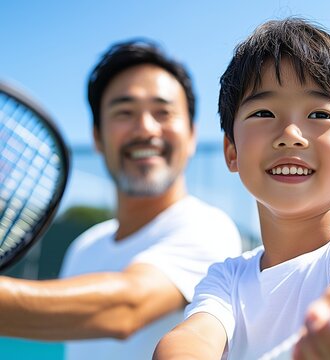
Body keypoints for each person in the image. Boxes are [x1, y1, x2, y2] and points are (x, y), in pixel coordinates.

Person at [153, 18, 330, 359]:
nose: (290, 134)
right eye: (263, 112)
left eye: (320, 114)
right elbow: (190, 340)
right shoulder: (226, 278)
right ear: (231, 151)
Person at [0, 39, 243, 360]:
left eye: (163, 112)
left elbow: (125, 309)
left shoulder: (209, 228)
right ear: (98, 137)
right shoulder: (84, 248)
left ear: (192, 136)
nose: (145, 128)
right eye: (124, 112)